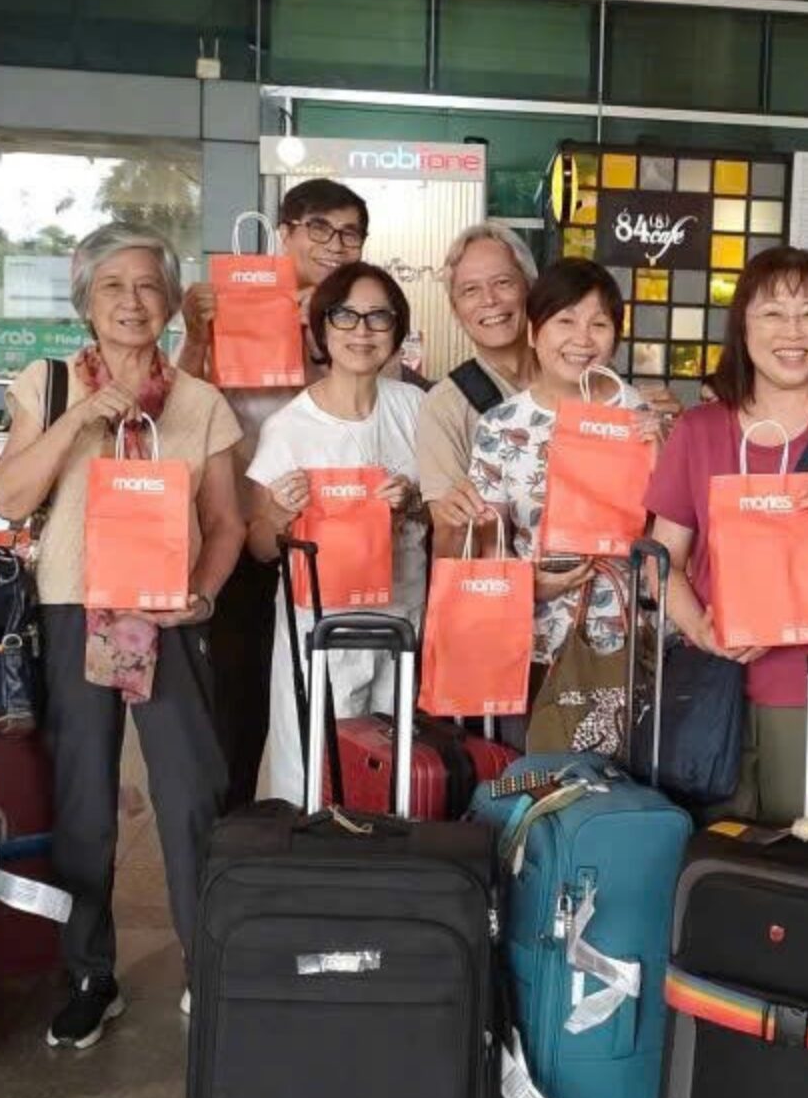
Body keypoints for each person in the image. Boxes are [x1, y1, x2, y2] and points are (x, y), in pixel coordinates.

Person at [0, 222, 246, 1049]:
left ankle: (208, 963)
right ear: (85, 302)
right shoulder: (49, 383)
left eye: (147, 286)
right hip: (72, 607)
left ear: (169, 302)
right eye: (112, 286)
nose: (132, 302)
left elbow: (227, 524)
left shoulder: (200, 402)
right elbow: (8, 497)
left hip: (166, 612)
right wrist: (77, 422)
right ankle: (89, 973)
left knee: (191, 792)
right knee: (84, 798)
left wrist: (202, 599)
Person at [645, 247, 808, 819]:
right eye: (772, 313)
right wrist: (701, 629)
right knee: (713, 852)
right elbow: (661, 559)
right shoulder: (699, 430)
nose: (793, 332)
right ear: (742, 326)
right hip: (712, 682)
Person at [177, 177, 369, 810]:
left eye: (350, 233)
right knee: (235, 703)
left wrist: (324, 334)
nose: (335, 244)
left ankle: (326, 825)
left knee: (326, 700)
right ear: (283, 232)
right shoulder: (231, 303)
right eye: (319, 228)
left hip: (330, 539)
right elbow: (177, 407)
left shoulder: (356, 318)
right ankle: (227, 836)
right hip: (239, 532)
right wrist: (198, 336)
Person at [243, 262, 428, 803]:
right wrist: (281, 513)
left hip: (402, 618)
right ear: (323, 328)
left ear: (397, 329)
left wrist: (413, 503)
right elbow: (259, 545)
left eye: (378, 317)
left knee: (398, 770)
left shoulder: (416, 410)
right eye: (345, 316)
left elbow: (448, 513)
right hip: (319, 627)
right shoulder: (289, 428)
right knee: (318, 772)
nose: (362, 331)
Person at [468, 260, 661, 695]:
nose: (582, 338)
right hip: (530, 642)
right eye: (565, 321)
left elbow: (667, 539)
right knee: (533, 743)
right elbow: (490, 541)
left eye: (599, 324)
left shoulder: (642, 419)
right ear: (533, 333)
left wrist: (662, 462)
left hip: (628, 641)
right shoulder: (500, 425)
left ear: (616, 338)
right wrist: (528, 587)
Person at [418, 223, 538, 556]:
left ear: (530, 288)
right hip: (503, 582)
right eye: (470, 290)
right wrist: (453, 523)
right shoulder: (445, 406)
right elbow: (451, 551)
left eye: (503, 283)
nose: (489, 300)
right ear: (455, 310)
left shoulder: (577, 378)